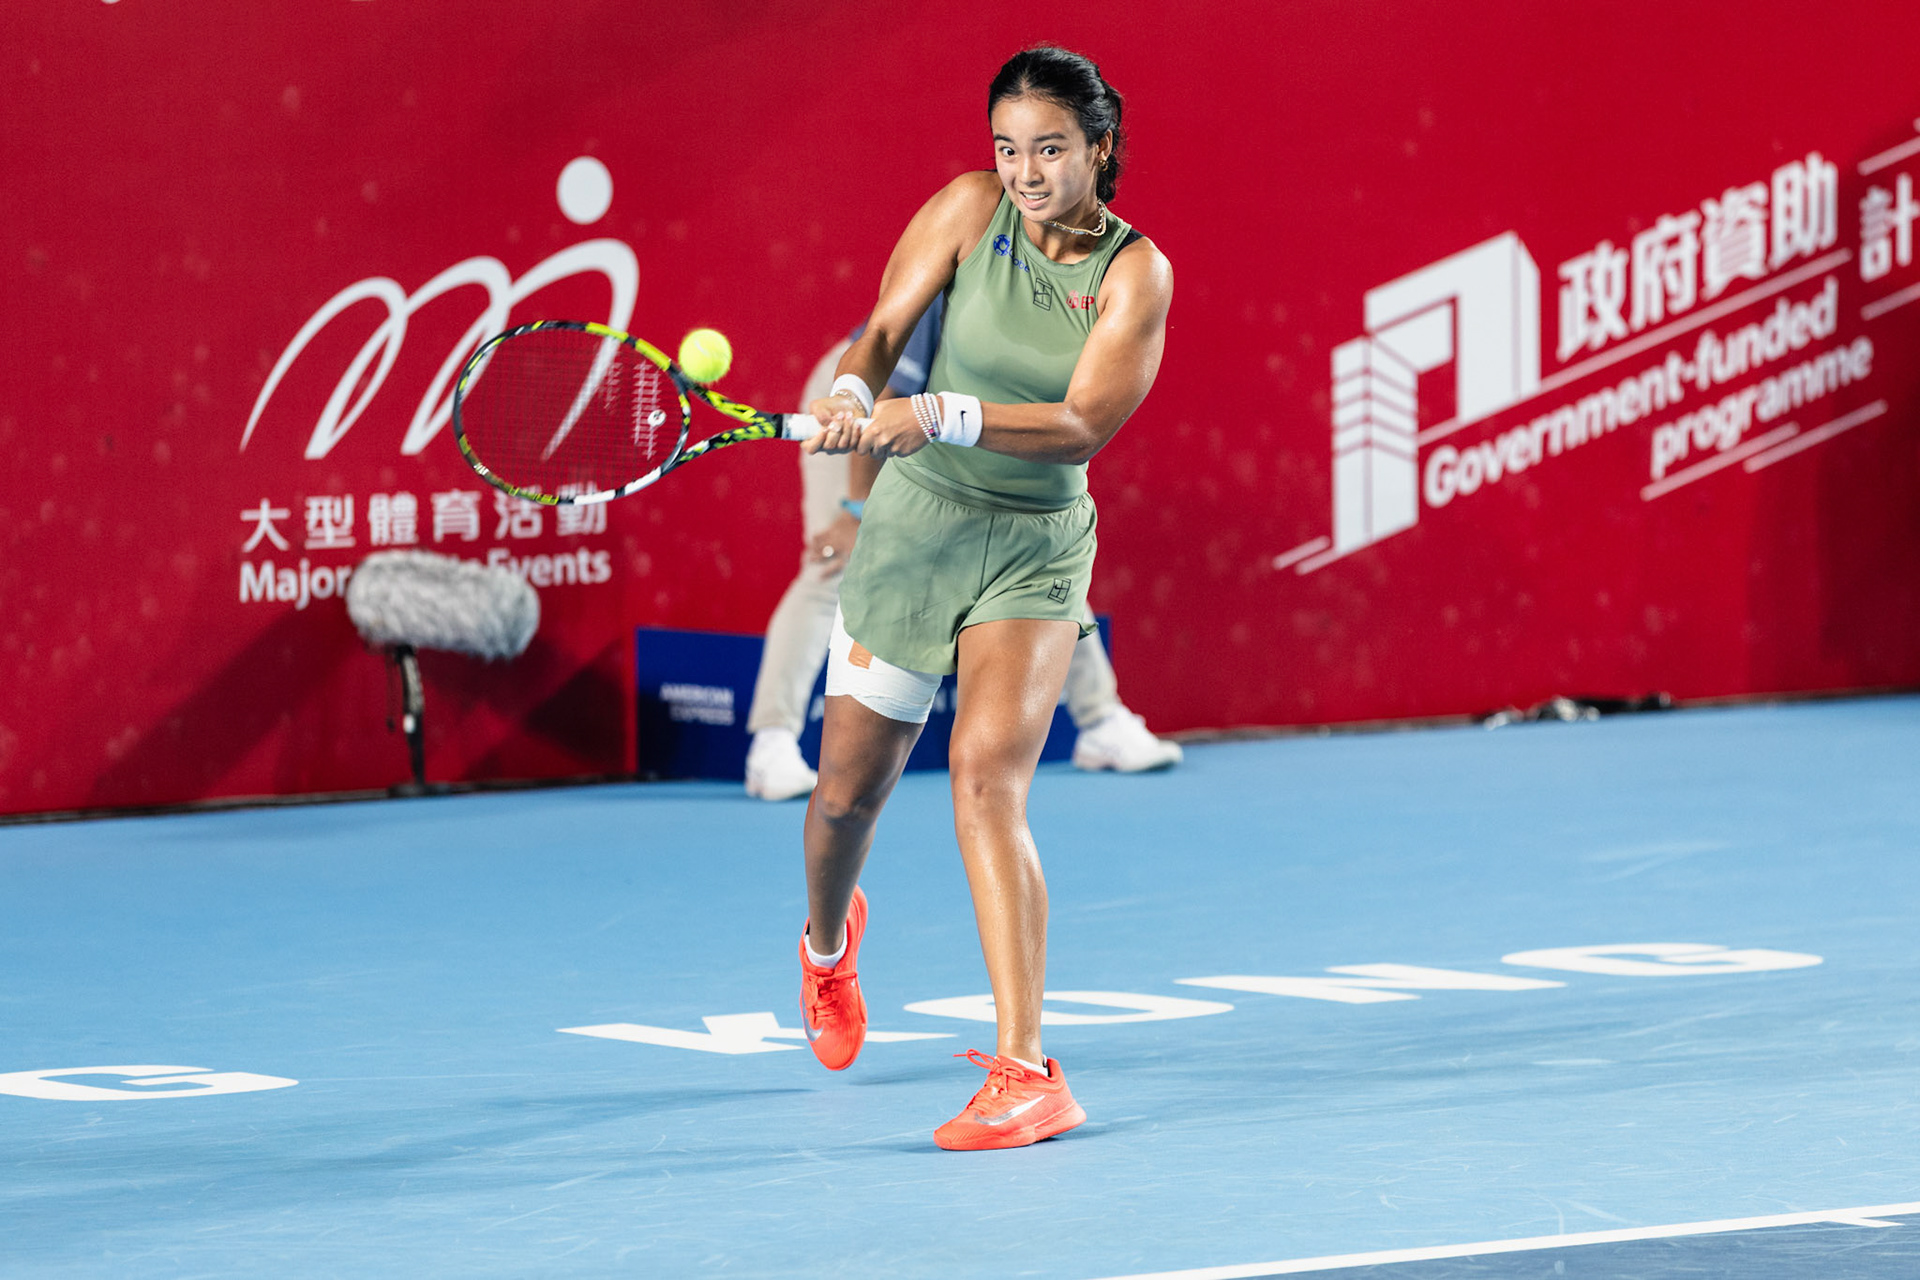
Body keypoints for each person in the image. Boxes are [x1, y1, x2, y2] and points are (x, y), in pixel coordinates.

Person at [793, 46, 1173, 1150]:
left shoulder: (1135, 274)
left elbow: (1083, 424)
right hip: (917, 533)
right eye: (1010, 148)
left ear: (1099, 147)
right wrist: (860, 387)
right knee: (843, 801)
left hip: (1035, 546)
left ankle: (1026, 1068)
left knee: (987, 778)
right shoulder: (967, 210)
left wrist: (943, 413)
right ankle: (826, 945)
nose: (1025, 171)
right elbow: (881, 330)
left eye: (1050, 149)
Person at [742, 296, 1183, 801]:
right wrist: (855, 508)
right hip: (868, 399)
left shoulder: (1081, 287)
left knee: (1033, 548)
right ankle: (770, 747)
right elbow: (888, 386)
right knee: (834, 568)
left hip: (951, 409)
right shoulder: (973, 262)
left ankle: (1102, 721)